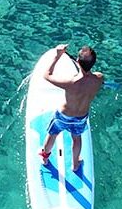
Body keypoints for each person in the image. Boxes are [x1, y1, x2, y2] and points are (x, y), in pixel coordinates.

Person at [38, 44, 103, 172]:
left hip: (63, 116)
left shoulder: (71, 82)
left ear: (78, 61)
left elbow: (47, 75)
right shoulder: (99, 78)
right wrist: (79, 64)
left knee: (53, 134)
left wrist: (57, 56)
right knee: (76, 138)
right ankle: (75, 164)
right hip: (81, 117)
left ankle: (45, 157)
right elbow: (88, 77)